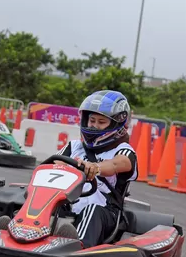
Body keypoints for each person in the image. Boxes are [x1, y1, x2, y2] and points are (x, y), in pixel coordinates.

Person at [55, 89, 138, 248]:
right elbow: (52, 165)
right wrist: (66, 166)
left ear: (115, 124)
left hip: (104, 211)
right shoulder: (74, 146)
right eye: (92, 120)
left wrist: (96, 167)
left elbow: (119, 163)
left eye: (101, 122)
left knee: (92, 210)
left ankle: (76, 247)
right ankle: (20, 230)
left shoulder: (123, 149)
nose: (94, 126)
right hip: (69, 201)